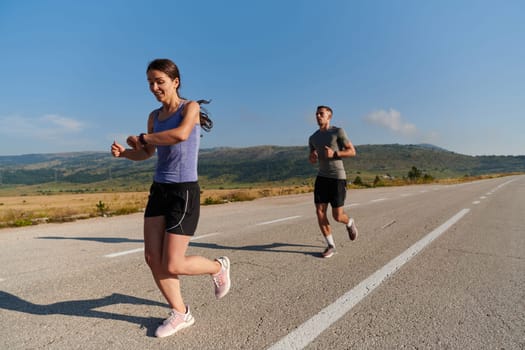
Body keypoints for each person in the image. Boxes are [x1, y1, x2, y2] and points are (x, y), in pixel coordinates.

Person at [111, 58, 231, 338]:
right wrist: (126, 153)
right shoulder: (154, 117)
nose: (154, 87)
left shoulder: (190, 108)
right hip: (159, 190)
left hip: (184, 191)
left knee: (173, 263)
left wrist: (144, 137)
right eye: (150, 83)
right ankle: (181, 313)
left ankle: (218, 266)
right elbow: (147, 154)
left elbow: (180, 135)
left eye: (159, 81)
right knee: (153, 257)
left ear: (175, 82)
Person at [308, 105, 358, 258]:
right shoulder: (313, 138)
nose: (318, 116)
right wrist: (313, 158)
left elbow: (352, 151)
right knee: (319, 211)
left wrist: (334, 153)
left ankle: (349, 222)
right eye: (317, 114)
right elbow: (311, 159)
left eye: (321, 114)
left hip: (337, 177)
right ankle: (330, 245)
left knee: (337, 216)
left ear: (329, 116)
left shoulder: (337, 132)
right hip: (322, 177)